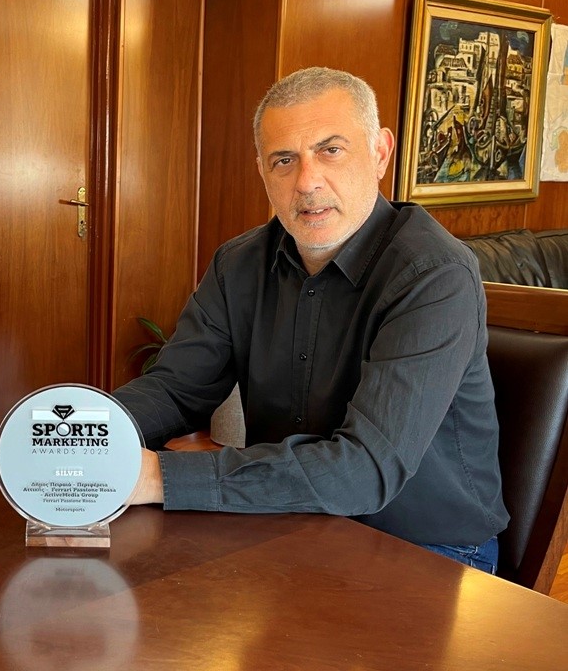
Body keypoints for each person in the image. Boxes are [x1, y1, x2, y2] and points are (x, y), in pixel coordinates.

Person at [116, 67, 508, 573]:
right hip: (286, 521)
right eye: (284, 160)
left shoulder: (435, 276)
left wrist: (157, 477)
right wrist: (84, 433)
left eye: (331, 150)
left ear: (380, 153)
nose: (307, 182)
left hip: (426, 549)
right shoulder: (238, 264)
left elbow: (363, 470)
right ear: (263, 172)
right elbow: (175, 391)